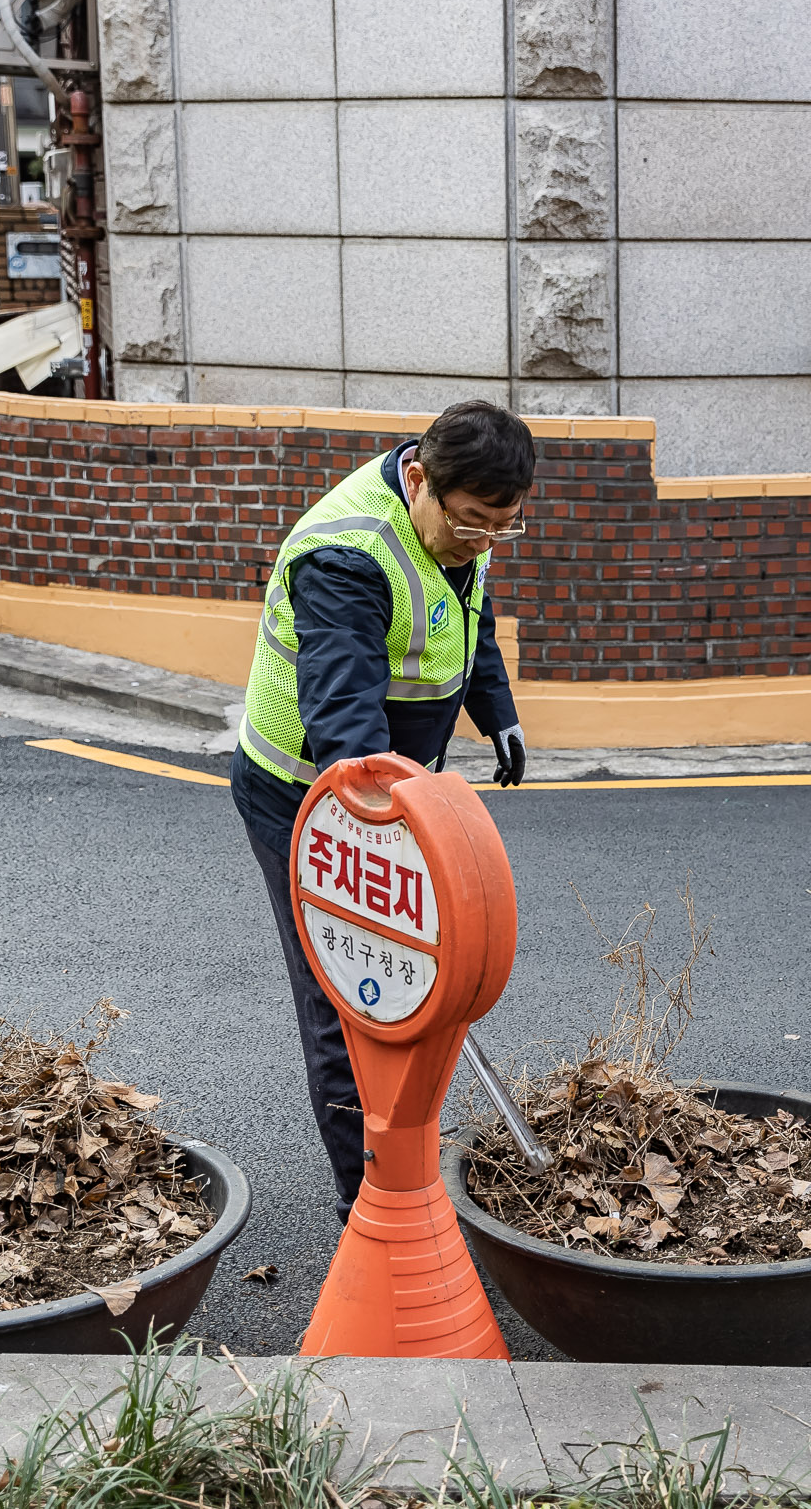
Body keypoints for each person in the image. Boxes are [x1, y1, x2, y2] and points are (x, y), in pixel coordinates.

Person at [230, 401, 535, 1221]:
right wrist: (397, 839)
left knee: (409, 980)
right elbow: (346, 734)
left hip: (394, 794)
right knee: (347, 994)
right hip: (308, 796)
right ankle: (366, 1203)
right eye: (472, 522)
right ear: (418, 480)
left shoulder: (462, 520)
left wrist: (494, 709)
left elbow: (469, 615)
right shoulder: (347, 557)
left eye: (502, 528)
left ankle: (403, 1158)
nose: (483, 541)